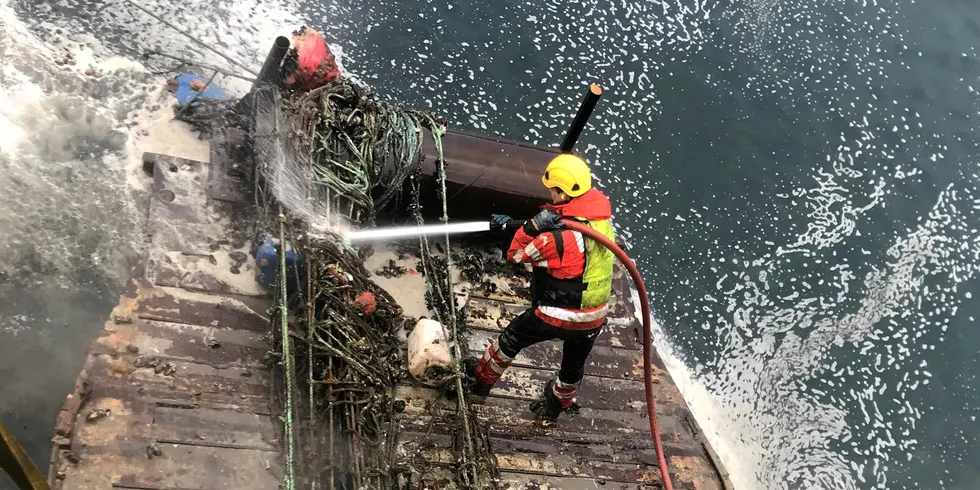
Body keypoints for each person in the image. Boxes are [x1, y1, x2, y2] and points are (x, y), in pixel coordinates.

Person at [464, 153, 616, 420]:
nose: (551, 194)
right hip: (595, 315)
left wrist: (528, 228)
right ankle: (557, 405)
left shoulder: (559, 238)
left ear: (563, 191)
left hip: (558, 313)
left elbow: (517, 254)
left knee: (511, 339)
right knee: (573, 365)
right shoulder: (601, 222)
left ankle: (478, 383)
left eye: (553, 190)